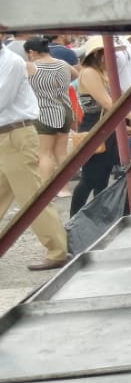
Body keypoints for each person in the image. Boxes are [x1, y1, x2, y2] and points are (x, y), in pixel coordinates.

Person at [70, 37, 131, 214]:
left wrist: (122, 125)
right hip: (94, 128)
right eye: (108, 53)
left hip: (107, 127)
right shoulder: (89, 72)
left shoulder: (103, 72)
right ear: (97, 54)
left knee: (102, 178)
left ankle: (98, 217)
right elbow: (109, 103)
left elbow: (117, 101)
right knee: (90, 178)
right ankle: (74, 217)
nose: (113, 56)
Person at [0, 45, 69, 271]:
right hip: (8, 135)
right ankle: (57, 250)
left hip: (14, 135)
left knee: (31, 197)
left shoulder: (11, 61)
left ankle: (58, 251)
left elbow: (1, 99)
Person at [23, 37, 73, 185]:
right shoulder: (63, 64)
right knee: (61, 153)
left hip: (44, 112)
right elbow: (76, 74)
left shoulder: (30, 67)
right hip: (65, 109)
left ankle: (46, 188)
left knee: (44, 154)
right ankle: (64, 188)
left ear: (31, 52)